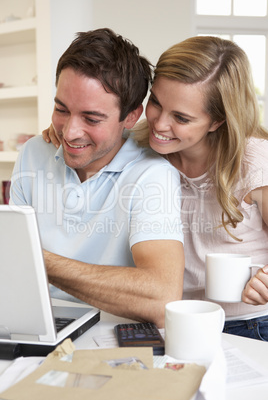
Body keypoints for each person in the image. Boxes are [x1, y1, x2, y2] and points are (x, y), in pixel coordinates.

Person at [44, 35, 268, 340]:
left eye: (181, 117)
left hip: (249, 324)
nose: (159, 125)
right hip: (173, 323)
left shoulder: (255, 163)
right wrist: (69, 132)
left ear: (216, 121)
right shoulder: (142, 149)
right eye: (157, 103)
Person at [10, 28, 185, 328]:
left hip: (111, 332)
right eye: (61, 109)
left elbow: (163, 297)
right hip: (32, 323)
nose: (70, 132)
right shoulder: (34, 153)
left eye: (91, 119)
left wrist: (38, 260)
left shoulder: (152, 175)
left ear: (130, 116)